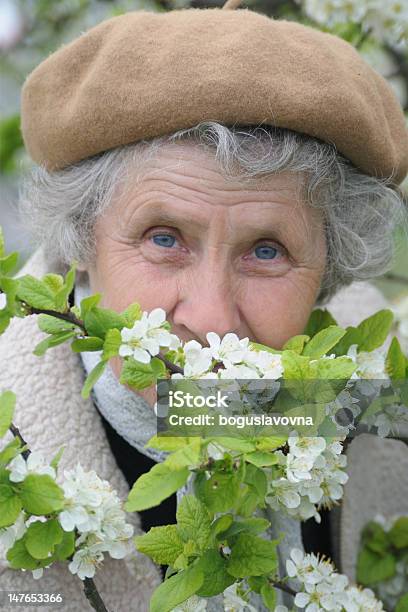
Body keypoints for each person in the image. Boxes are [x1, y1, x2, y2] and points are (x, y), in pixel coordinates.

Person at [1, 3, 407, 610]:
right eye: (164, 239)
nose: (212, 317)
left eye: (266, 250)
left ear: (330, 270)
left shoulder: (376, 389)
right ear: (82, 239)